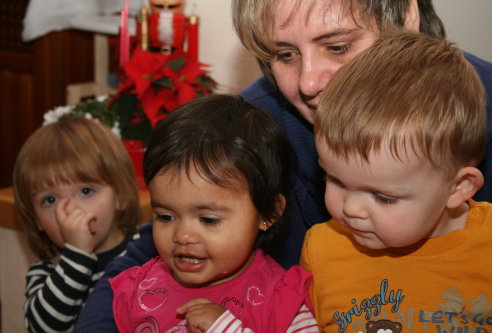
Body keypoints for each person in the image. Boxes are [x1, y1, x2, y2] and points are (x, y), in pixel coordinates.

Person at [75, 0, 492, 330]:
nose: (308, 83)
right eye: (285, 54)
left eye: (338, 46)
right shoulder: (261, 120)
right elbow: (147, 256)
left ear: (405, 15)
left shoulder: (476, 111)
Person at [301, 29, 491, 332]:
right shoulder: (322, 249)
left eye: (383, 197)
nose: (351, 209)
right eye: (334, 179)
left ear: (458, 187)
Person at [109, 94, 318, 332]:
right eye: (166, 217)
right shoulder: (138, 288)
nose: (183, 236)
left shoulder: (283, 300)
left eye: (208, 220)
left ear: (268, 213)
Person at [13, 117, 142, 332]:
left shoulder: (147, 250)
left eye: (85, 191)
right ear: (37, 220)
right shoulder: (45, 274)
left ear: (120, 196)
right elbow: (43, 328)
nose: (70, 210)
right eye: (50, 200)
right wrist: (77, 254)